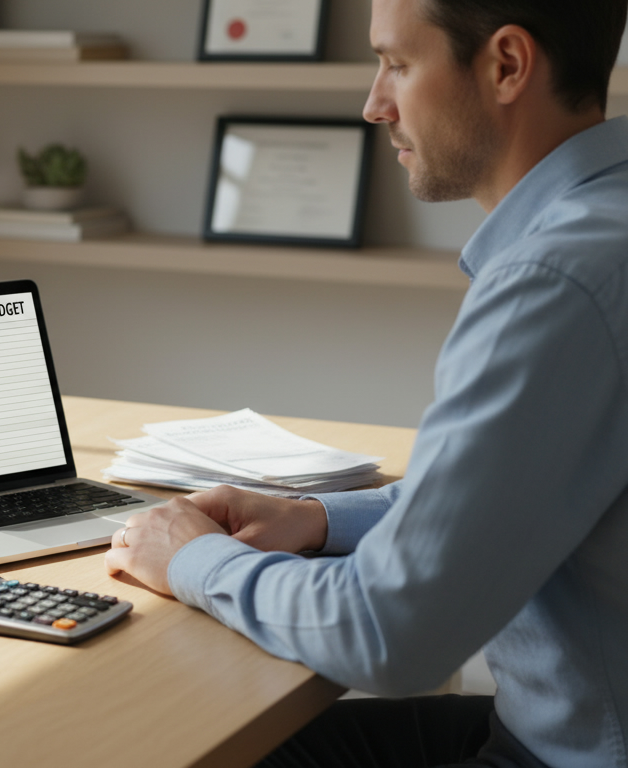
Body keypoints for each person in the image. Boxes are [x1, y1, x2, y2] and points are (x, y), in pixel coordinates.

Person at [104, 0, 628, 765]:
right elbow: (509, 500)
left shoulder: (553, 283)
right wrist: (315, 520)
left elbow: (389, 635)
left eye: (397, 64)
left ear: (507, 65)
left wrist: (187, 558)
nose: (374, 103)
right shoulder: (605, 225)